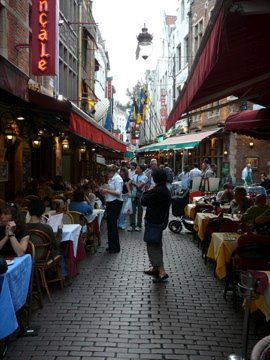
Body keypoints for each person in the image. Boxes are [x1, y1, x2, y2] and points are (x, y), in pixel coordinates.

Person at [141, 169, 171, 283]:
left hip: (154, 221)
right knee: (156, 243)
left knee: (153, 245)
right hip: (160, 221)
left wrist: (148, 191)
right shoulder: (165, 190)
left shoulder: (157, 190)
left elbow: (143, 201)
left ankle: (161, 271)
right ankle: (155, 267)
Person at [99, 164, 123, 253]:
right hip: (111, 202)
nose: (106, 175)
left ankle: (115, 247)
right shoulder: (111, 179)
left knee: (112, 225)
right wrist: (104, 192)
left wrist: (107, 191)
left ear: (111, 172)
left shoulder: (117, 179)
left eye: (107, 173)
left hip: (115, 203)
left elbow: (118, 192)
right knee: (110, 225)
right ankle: (111, 245)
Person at [128, 164, 148, 232]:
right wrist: (129, 191)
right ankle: (132, 225)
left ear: (141, 170)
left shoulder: (145, 177)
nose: (136, 169)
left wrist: (133, 183)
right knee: (132, 211)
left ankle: (139, 225)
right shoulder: (134, 176)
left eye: (138, 168)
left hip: (141, 195)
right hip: (133, 195)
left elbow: (140, 186)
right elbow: (128, 183)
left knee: (140, 211)